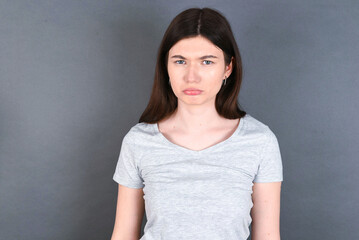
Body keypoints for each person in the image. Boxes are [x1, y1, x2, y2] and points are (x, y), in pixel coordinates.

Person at [111, 7, 283, 240]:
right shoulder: (138, 141)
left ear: (228, 68)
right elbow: (123, 235)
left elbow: (268, 236)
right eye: (180, 61)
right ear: (166, 67)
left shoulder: (260, 141)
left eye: (207, 62)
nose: (192, 76)